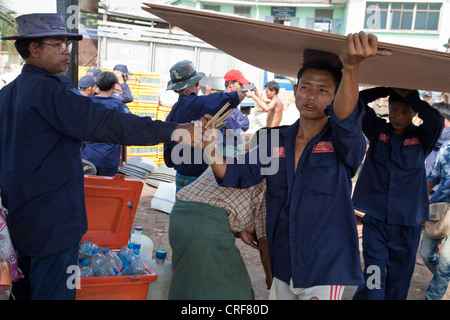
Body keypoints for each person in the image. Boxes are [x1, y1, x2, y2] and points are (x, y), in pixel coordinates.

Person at [0, 13, 194, 300]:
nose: (67, 51)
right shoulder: (53, 92)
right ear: (34, 49)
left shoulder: (7, 94)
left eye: (67, 44)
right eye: (59, 45)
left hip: (19, 221)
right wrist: (173, 130)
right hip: (54, 225)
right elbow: (108, 123)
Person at [197, 32, 390, 300]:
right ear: (296, 90)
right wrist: (208, 145)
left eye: (323, 90)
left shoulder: (345, 141)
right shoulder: (273, 139)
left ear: (335, 97)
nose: (312, 95)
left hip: (324, 264)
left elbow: (347, 117)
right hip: (282, 261)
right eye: (306, 87)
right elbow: (234, 175)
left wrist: (351, 67)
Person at [352, 87, 444, 300]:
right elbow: (356, 102)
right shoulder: (377, 130)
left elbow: (436, 120)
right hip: (377, 220)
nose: (398, 116)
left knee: (399, 277)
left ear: (413, 113)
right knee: (374, 272)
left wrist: (410, 96)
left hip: (408, 222)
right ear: (388, 109)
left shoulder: (422, 138)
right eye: (394, 110)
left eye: (405, 111)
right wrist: (386, 88)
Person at [168, 167, 268, 299]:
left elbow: (223, 197)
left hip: (179, 215)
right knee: (235, 293)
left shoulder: (241, 156)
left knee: (187, 284)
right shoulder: (275, 180)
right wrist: (272, 282)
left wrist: (241, 229)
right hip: (205, 228)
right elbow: (265, 242)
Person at [163, 60, 245, 191]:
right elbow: (238, 96)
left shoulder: (173, 112)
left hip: (180, 175)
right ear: (196, 83)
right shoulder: (199, 103)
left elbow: (168, 158)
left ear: (175, 90)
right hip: (197, 176)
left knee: (182, 208)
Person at [81, 71, 132, 176]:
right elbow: (132, 122)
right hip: (108, 159)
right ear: (114, 86)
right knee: (107, 190)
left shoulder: (86, 103)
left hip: (88, 157)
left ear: (97, 85)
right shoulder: (118, 105)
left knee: (88, 189)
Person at [419, 139, 450, 300]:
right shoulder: (447, 147)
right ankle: (443, 279)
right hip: (439, 210)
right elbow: (434, 177)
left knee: (446, 261)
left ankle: (433, 296)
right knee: (425, 254)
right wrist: (420, 201)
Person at [220, 69, 251, 156]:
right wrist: (238, 125)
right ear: (230, 84)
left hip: (233, 146)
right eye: (240, 84)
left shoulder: (233, 102)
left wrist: (237, 125)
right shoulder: (223, 101)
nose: (242, 88)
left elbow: (246, 124)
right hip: (225, 148)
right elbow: (234, 129)